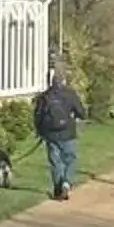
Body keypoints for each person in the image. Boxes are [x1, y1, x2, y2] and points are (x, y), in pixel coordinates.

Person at [32, 71, 82, 199]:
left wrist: (39, 131)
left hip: (50, 134)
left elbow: (38, 116)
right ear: (64, 81)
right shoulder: (70, 94)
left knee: (55, 161)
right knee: (70, 159)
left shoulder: (44, 97)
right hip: (67, 132)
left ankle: (58, 189)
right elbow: (81, 112)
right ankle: (66, 182)